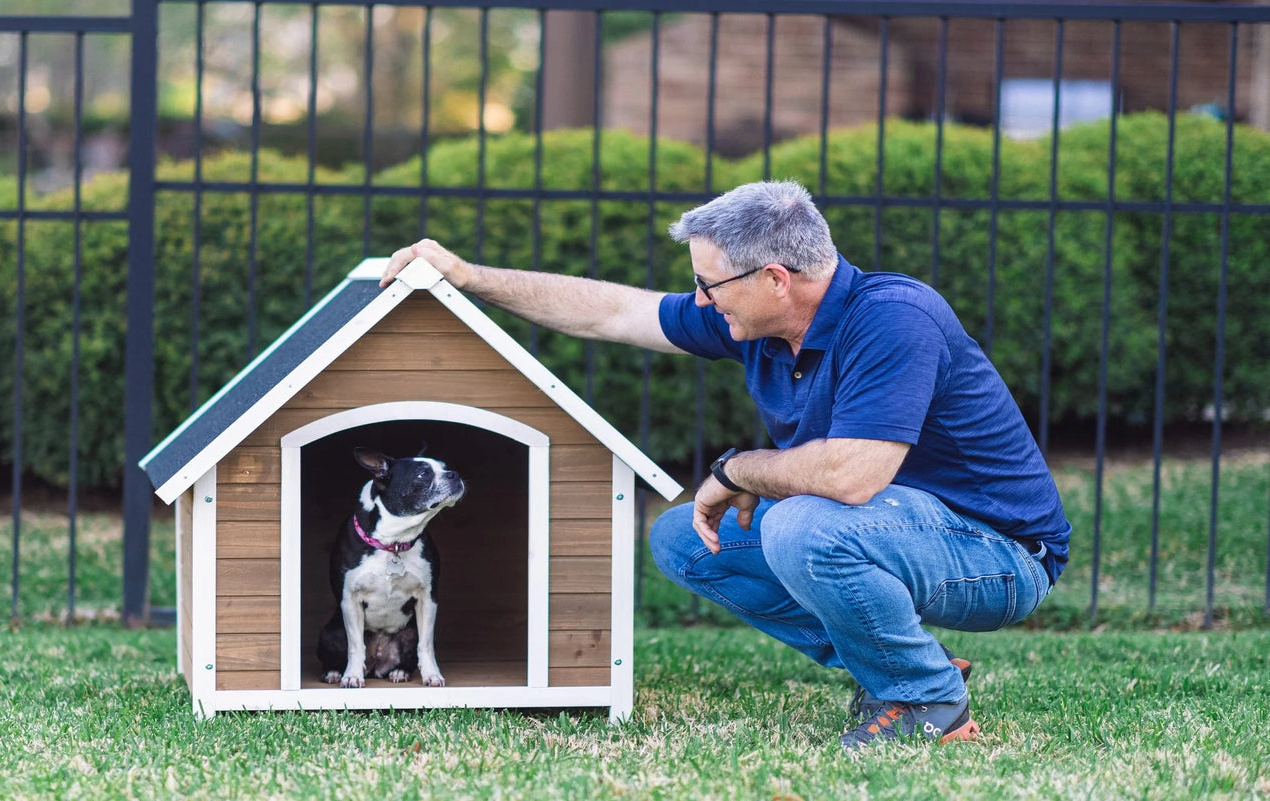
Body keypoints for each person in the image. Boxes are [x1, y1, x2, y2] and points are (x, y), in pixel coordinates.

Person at [381, 180, 1070, 751]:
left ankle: (930, 702)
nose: (702, 299)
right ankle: (896, 664)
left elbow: (852, 476)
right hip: (891, 532)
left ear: (775, 278)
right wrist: (469, 277)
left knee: (803, 525)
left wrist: (738, 469)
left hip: (999, 554)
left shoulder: (893, 318)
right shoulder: (756, 320)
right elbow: (615, 312)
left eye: (709, 283)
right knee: (683, 539)